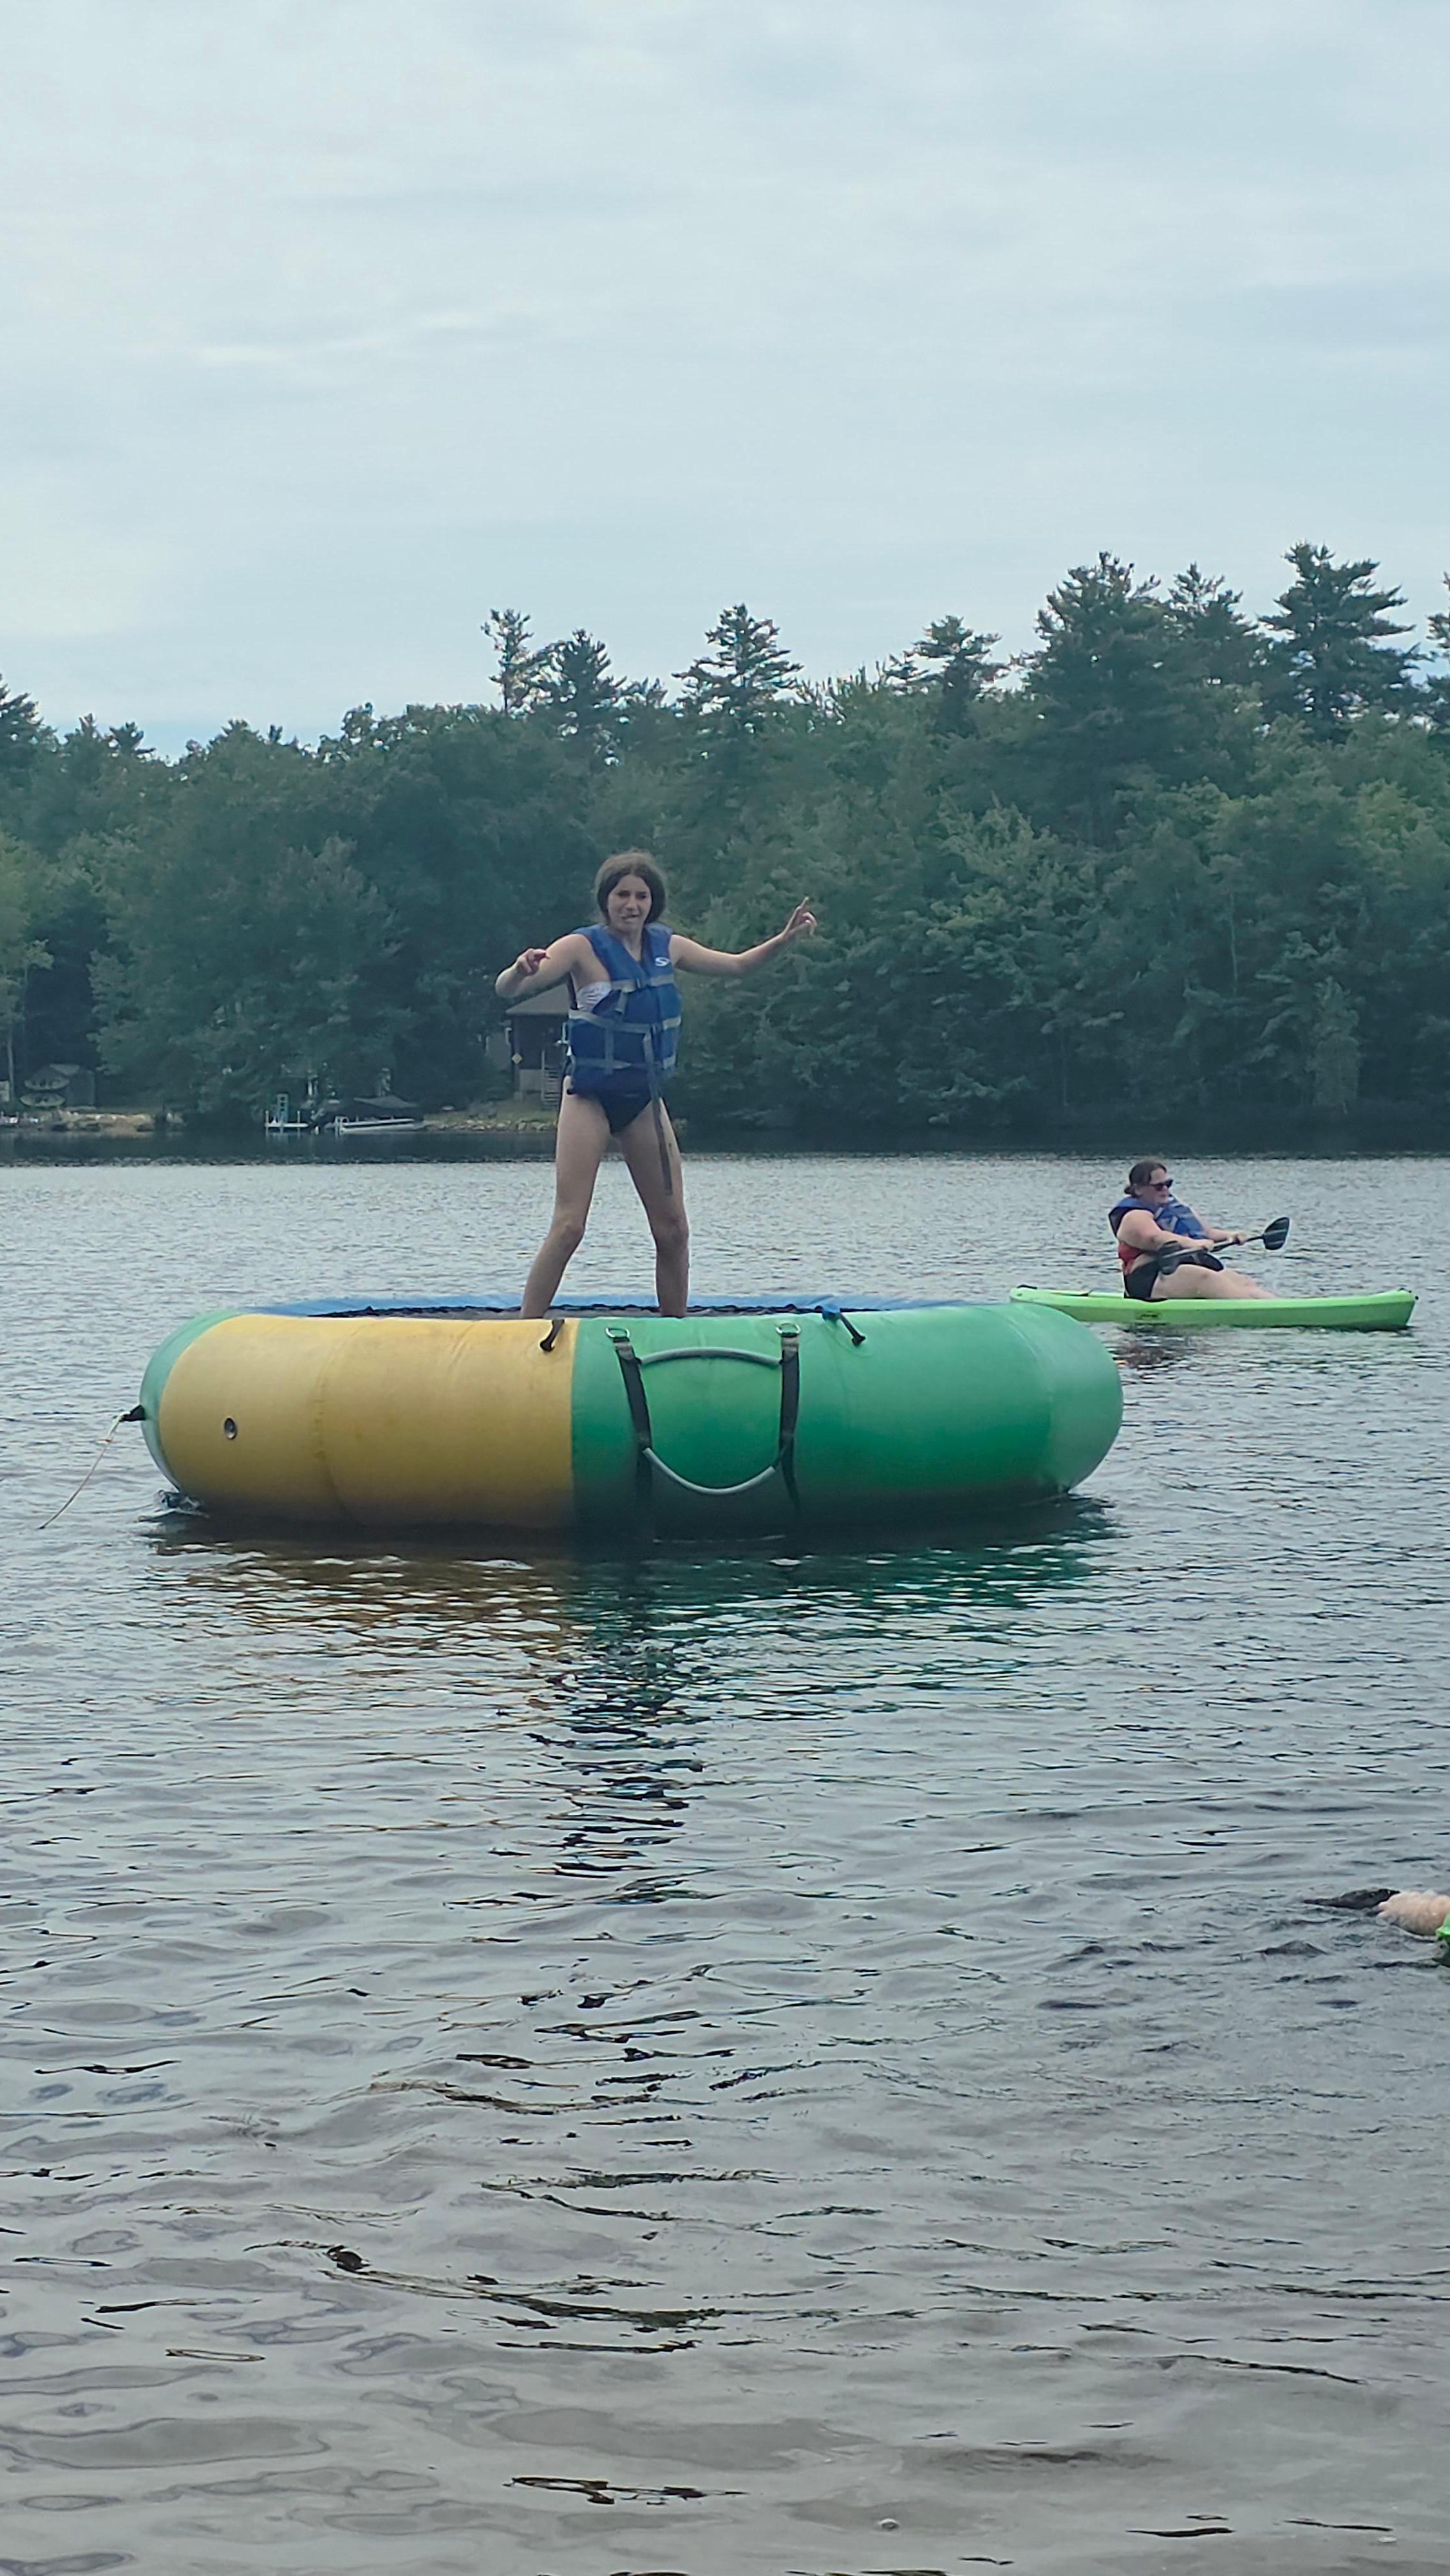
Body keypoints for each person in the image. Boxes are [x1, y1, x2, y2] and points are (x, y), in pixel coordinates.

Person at [496, 851, 816, 1317]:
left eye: (641, 896)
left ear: (653, 902)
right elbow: (509, 990)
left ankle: (676, 1331)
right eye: (622, 895)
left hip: (643, 1100)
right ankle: (522, 1331)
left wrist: (783, 940)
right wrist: (519, 970)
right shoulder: (581, 948)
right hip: (589, 1098)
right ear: (606, 901)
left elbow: (739, 966)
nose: (632, 904)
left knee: (673, 1230)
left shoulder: (670, 947)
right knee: (570, 1225)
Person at [1107, 1158, 1273, 1302]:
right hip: (1150, 1277)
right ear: (1138, 1190)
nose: (1165, 1190)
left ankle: (1277, 1306)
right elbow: (1156, 1238)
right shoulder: (1134, 1216)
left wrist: (1232, 1236)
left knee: (1242, 1282)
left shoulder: (1176, 1210)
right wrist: (1192, 1244)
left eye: (1168, 1184)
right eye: (1158, 1186)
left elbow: (1207, 1234)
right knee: (1205, 1278)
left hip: (1184, 1265)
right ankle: (1258, 1312)